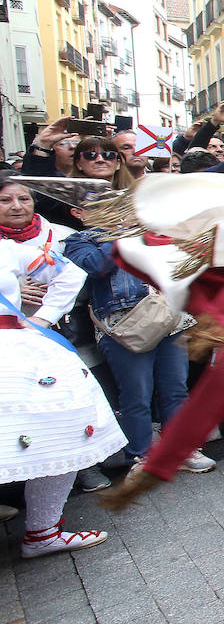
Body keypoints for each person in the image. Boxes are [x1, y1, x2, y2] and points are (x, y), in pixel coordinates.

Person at [0, 226, 125, 557]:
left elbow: (69, 273)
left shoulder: (9, 251)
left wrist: (43, 318)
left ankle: (42, 530)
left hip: (15, 356)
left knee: (58, 432)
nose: (14, 205)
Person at [64, 224, 210, 473]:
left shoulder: (156, 227)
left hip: (170, 316)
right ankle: (140, 458)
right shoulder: (79, 241)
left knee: (176, 388)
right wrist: (122, 236)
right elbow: (98, 267)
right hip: (125, 326)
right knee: (136, 395)